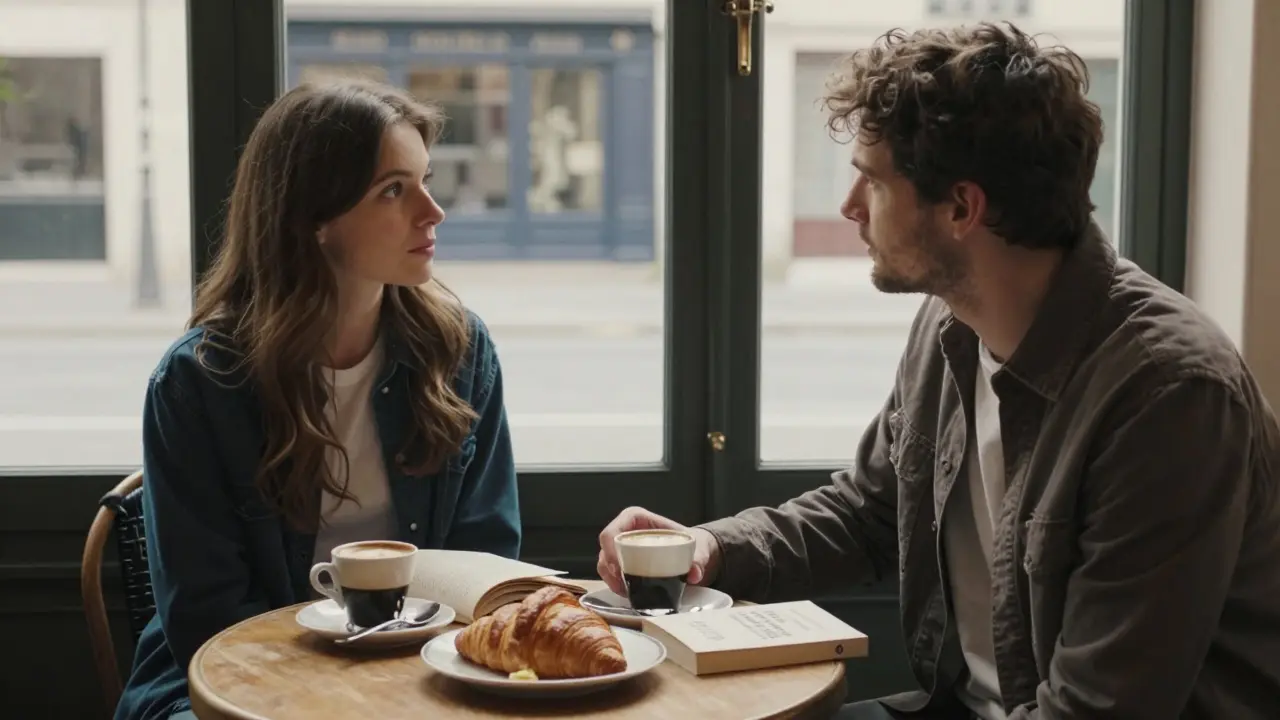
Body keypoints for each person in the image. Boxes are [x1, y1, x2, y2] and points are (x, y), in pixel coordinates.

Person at [598, 23, 1280, 720]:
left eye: (872, 179)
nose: (849, 207)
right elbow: (869, 513)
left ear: (961, 207)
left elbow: (1100, 708)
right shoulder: (951, 323)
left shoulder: (1168, 397)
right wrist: (709, 549)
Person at [115, 80, 521, 720]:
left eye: (426, 179)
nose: (432, 210)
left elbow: (487, 562)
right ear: (313, 219)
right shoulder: (200, 382)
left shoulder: (459, 351)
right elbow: (209, 617)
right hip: (229, 683)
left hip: (419, 672)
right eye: (394, 189)